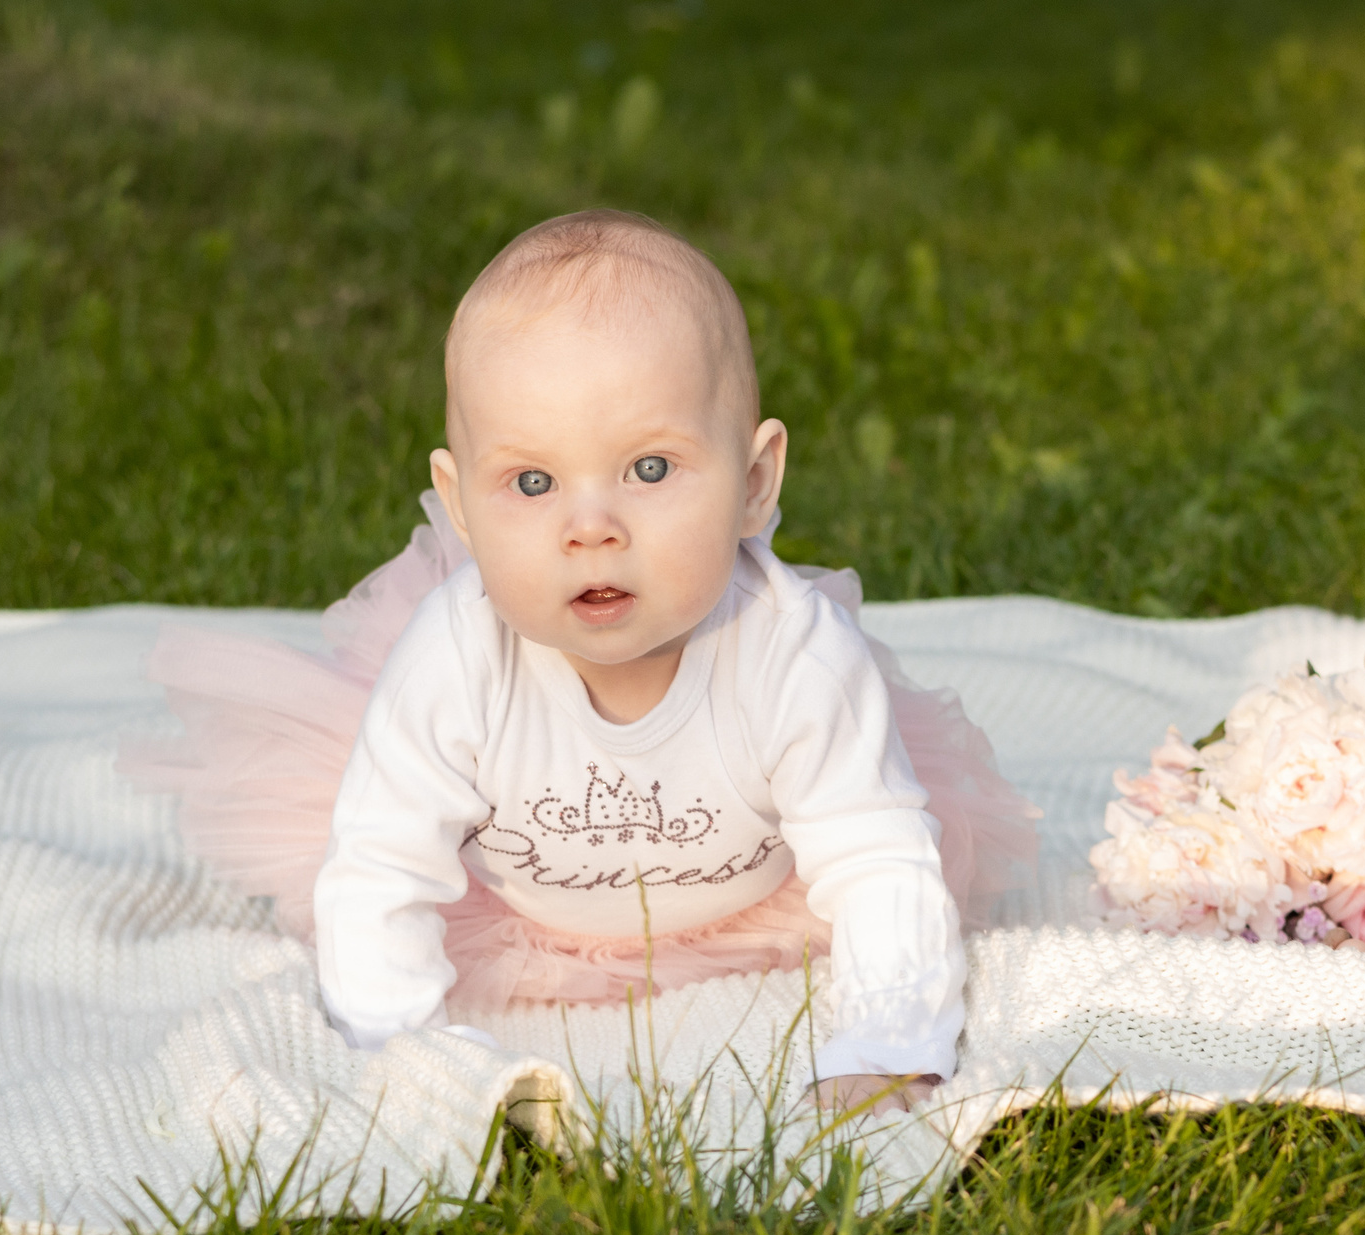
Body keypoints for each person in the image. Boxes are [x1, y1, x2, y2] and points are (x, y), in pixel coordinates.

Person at [123, 210, 1037, 1111]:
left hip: (756, 896)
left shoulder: (792, 655)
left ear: (755, 482)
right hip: (517, 909)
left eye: (648, 469)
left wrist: (885, 1038)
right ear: (463, 505)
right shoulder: (456, 656)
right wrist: (400, 1048)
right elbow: (382, 868)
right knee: (361, 826)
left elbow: (877, 857)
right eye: (532, 482)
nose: (590, 525)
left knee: (896, 842)